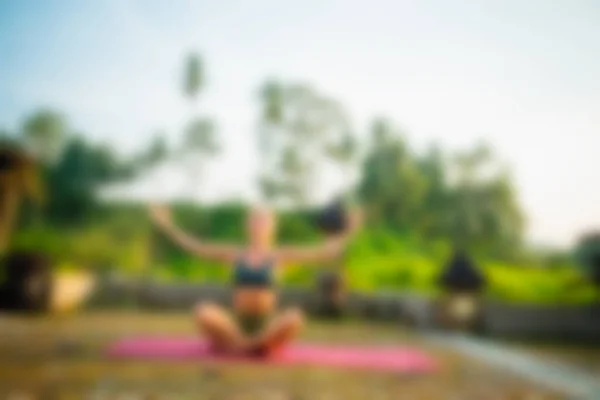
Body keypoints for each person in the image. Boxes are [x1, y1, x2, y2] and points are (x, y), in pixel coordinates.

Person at [148, 203, 361, 356]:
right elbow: (195, 248)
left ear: (273, 226)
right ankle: (251, 346)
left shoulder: (280, 256)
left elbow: (324, 252)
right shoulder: (235, 254)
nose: (259, 224)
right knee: (202, 312)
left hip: (267, 325)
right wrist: (167, 225)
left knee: (295, 318)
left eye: (264, 220)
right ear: (247, 225)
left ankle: (245, 346)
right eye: (255, 219)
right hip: (236, 325)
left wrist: (349, 231)